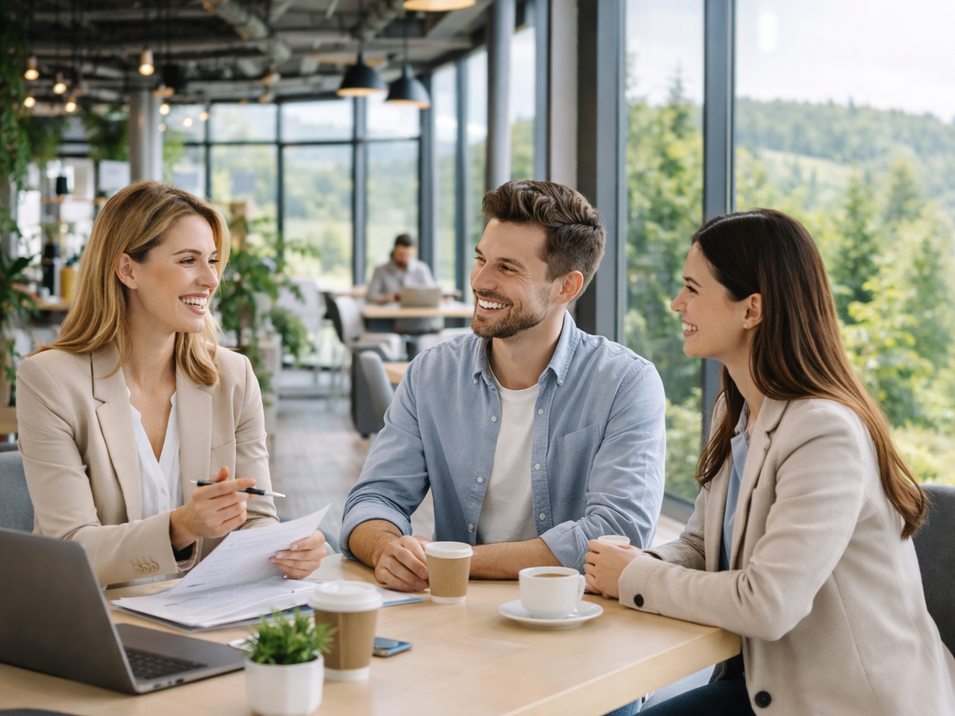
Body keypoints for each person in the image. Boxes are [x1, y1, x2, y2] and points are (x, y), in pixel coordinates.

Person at [584, 209, 955, 715]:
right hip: (765, 685)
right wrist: (636, 565)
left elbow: (768, 602)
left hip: (846, 704)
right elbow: (699, 543)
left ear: (751, 309)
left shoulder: (825, 432)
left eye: (693, 289)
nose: (677, 304)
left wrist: (635, 579)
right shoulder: (735, 411)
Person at [341, 180, 666, 593]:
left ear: (567, 286)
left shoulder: (626, 383)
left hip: (576, 622)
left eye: (507, 267)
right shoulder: (432, 374)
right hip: (458, 615)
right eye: (481, 259)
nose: (479, 280)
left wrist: (454, 560)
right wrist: (386, 548)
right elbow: (373, 499)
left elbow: (617, 534)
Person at [16, 181, 326, 588]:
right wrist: (179, 527)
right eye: (188, 261)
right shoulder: (50, 380)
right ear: (128, 270)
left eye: (213, 261)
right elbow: (71, 547)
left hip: (204, 618)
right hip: (95, 624)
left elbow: (255, 517)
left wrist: (284, 549)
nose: (211, 279)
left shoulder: (233, 378)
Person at [366, 234, 439, 336]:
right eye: (401, 254)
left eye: (408, 254)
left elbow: (432, 294)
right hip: (391, 322)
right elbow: (370, 296)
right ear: (394, 251)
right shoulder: (381, 270)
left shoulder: (422, 269)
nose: (404, 258)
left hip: (420, 322)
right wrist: (386, 298)